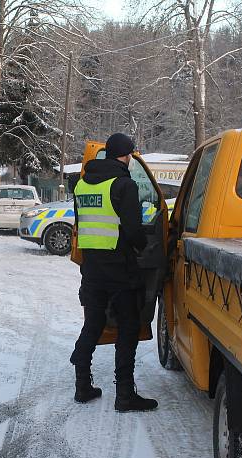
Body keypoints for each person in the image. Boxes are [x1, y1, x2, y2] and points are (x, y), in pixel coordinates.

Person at [70, 133, 158, 412]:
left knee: (93, 325)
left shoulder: (82, 185)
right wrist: (143, 246)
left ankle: (82, 385)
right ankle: (124, 394)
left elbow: (82, 224)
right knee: (128, 328)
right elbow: (133, 230)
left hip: (92, 270)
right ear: (127, 156)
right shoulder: (124, 185)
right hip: (121, 270)